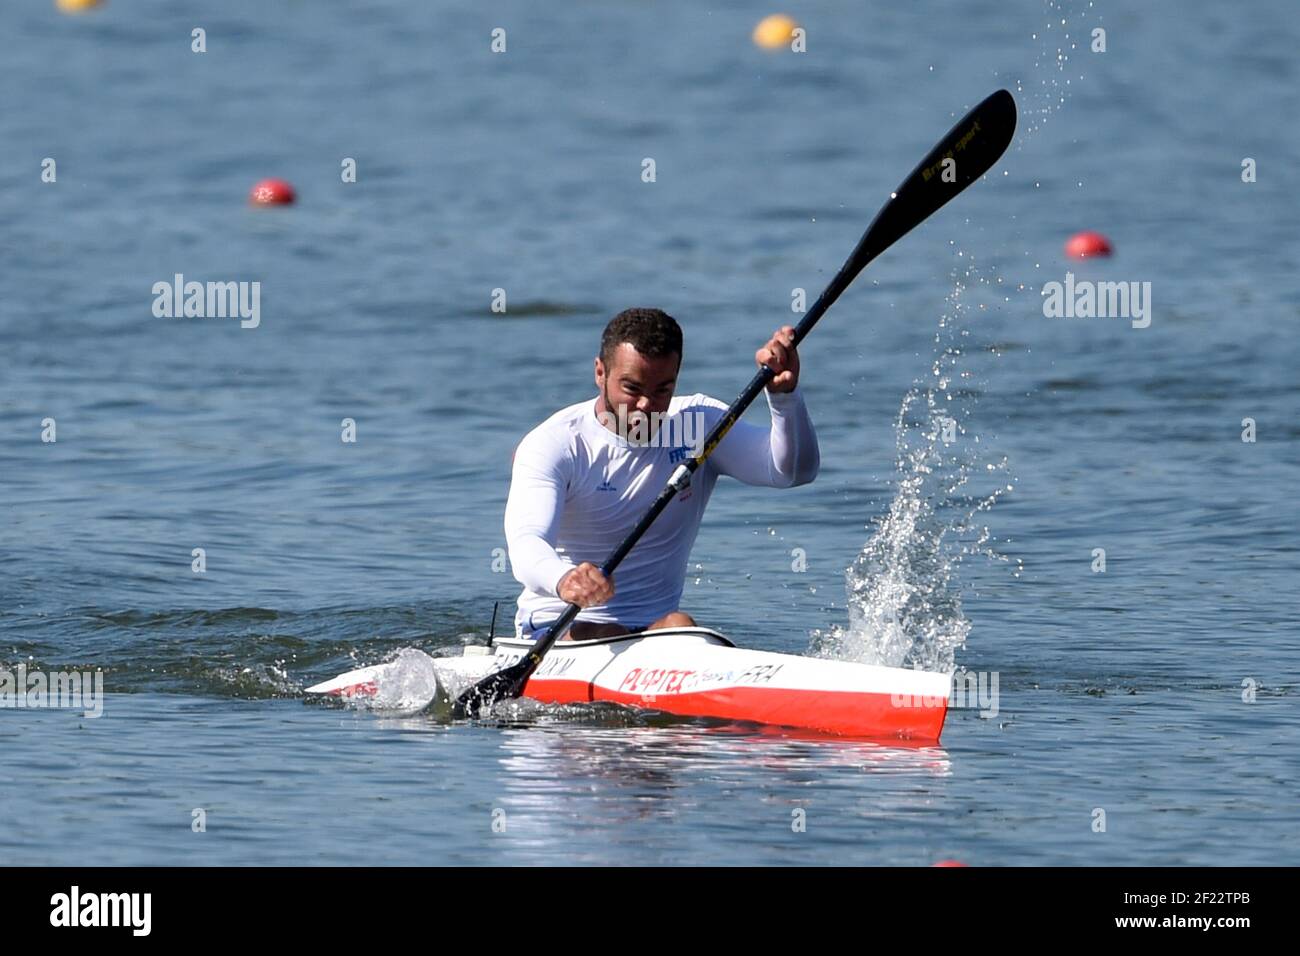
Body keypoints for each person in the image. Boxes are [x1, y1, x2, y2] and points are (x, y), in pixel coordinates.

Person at [504, 307, 819, 640]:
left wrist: (784, 398)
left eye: (661, 390)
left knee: (681, 626)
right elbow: (526, 543)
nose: (645, 405)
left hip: (655, 633)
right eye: (632, 388)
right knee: (605, 629)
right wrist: (564, 579)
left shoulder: (698, 426)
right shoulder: (556, 443)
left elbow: (791, 472)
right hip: (558, 628)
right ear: (600, 372)